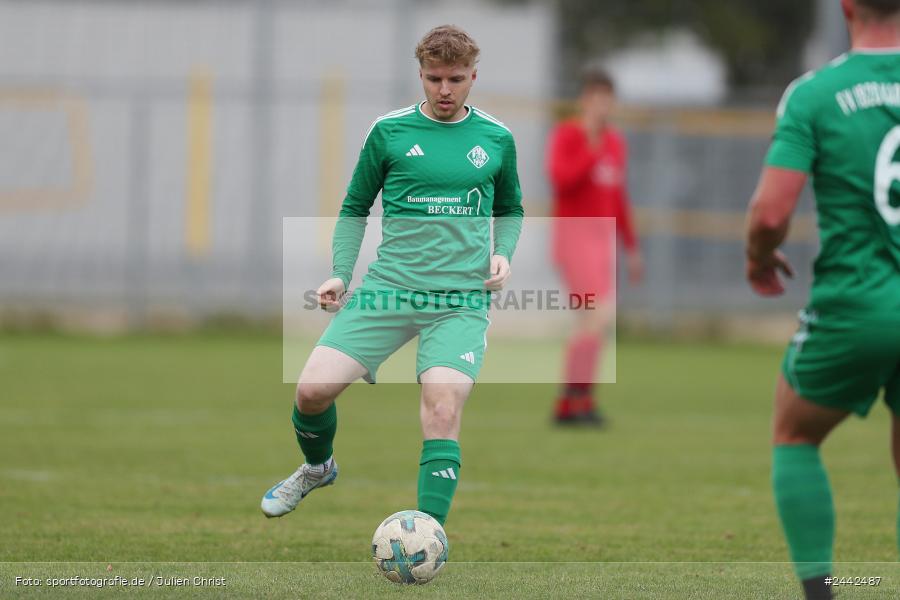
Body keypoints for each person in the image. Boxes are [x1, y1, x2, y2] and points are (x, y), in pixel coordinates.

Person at [261, 25, 524, 528]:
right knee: (311, 392)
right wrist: (339, 273)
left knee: (443, 407)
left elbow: (511, 207)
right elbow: (354, 207)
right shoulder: (389, 132)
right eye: (433, 78)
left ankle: (427, 534)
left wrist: (503, 253)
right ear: (420, 75)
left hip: (459, 299)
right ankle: (318, 468)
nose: (444, 90)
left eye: (455, 79)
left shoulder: (496, 137)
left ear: (473, 76)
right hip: (389, 290)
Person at [745, 1, 900, 598]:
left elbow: (771, 210)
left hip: (857, 303)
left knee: (795, 431)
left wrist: (758, 257)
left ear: (847, 6)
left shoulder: (816, 94)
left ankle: (820, 591)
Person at [546, 67, 643, 425]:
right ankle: (573, 400)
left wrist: (631, 246)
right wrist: (589, 147)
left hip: (602, 241)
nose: (602, 106)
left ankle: (576, 402)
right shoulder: (569, 135)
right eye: (595, 98)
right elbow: (560, 180)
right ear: (584, 100)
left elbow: (618, 197)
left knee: (597, 322)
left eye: (608, 99)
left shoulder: (616, 142)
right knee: (595, 316)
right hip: (573, 237)